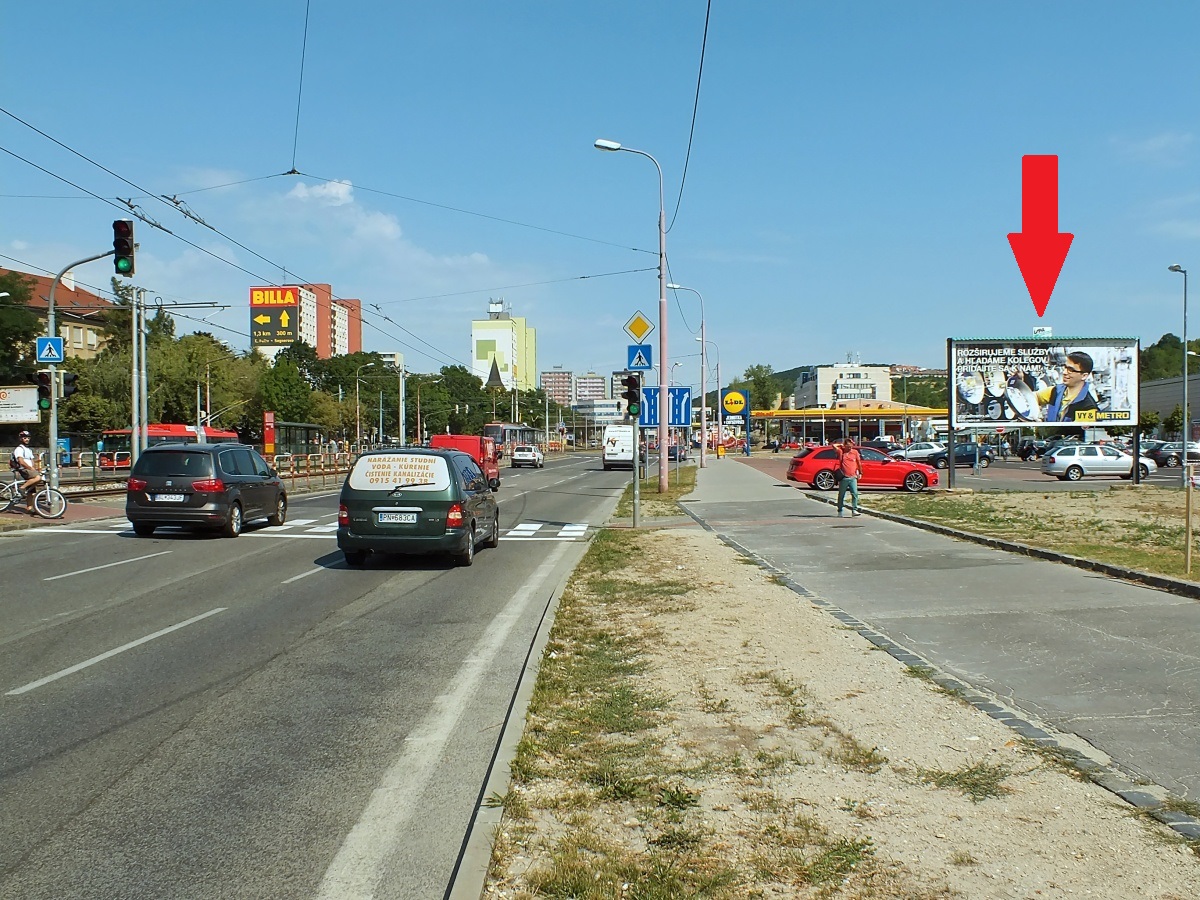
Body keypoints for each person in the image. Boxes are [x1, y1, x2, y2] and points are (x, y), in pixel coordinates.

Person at [1038, 351, 1100, 423]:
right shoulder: (1056, 390)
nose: (1064, 372)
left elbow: (1076, 430)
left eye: (1070, 370)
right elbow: (1031, 397)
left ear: (1084, 376)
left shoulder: (1089, 408)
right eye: (1065, 367)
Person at [10, 430, 43, 513]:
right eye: (25, 438)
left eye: (28, 438)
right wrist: (30, 468)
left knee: (31, 490)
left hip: (29, 469)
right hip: (23, 469)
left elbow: (32, 461)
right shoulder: (19, 449)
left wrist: (34, 468)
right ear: (21, 439)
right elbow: (21, 461)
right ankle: (22, 488)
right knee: (38, 477)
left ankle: (29, 508)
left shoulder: (29, 450)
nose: (27, 439)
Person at [834, 436, 862, 518]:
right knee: (841, 494)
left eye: (851, 446)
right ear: (845, 445)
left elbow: (858, 462)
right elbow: (834, 446)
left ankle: (854, 509)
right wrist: (841, 445)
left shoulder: (855, 452)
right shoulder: (841, 452)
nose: (850, 447)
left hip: (853, 477)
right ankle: (840, 509)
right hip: (844, 477)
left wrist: (860, 472)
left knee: (855, 494)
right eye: (848, 446)